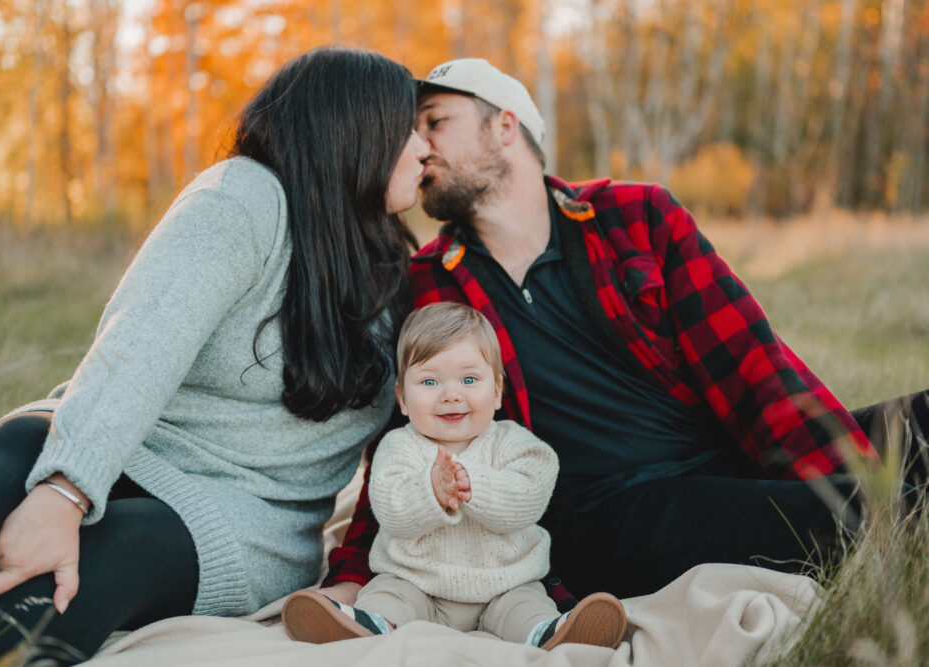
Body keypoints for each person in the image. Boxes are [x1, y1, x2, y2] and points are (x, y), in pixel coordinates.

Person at [318, 57, 929, 607]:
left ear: (503, 126)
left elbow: (753, 368)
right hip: (604, 515)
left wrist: (852, 470)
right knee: (842, 512)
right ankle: (880, 517)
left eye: (434, 121)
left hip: (718, 459)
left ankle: (870, 507)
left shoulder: (635, 217)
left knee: (912, 427)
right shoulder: (426, 284)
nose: (418, 147)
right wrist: (351, 576)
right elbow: (408, 439)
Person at [0, 46, 431, 666]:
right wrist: (63, 493)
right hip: (118, 442)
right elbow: (138, 346)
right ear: (357, 132)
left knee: (100, 563)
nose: (423, 148)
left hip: (240, 520)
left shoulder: (403, 276)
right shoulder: (244, 198)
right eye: (407, 129)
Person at [281, 302, 627, 650]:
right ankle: (369, 624)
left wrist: (471, 484)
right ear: (402, 397)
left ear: (496, 391)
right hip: (417, 584)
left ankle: (551, 632)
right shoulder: (399, 446)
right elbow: (390, 510)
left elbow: (529, 499)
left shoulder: (516, 444)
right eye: (429, 381)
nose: (450, 394)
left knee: (527, 606)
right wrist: (430, 491)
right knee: (387, 593)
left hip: (505, 584)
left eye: (469, 379)